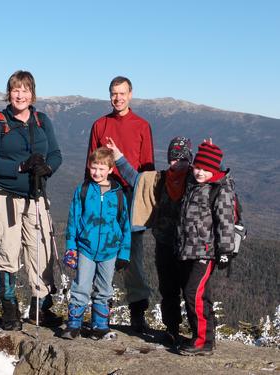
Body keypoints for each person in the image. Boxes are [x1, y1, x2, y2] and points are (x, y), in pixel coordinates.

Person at [0, 70, 63, 330]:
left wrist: (47, 168)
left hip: (36, 195)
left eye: (25, 89)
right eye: (15, 89)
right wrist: (21, 168)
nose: (20, 94)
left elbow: (56, 153)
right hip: (5, 196)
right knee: (8, 253)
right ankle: (9, 309)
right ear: (9, 93)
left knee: (41, 253)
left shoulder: (42, 120)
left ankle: (40, 307)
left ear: (32, 93)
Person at [107, 136, 193, 346]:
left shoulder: (194, 180)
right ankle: (172, 330)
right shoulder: (161, 179)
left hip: (190, 246)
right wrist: (118, 157)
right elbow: (137, 180)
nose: (177, 163)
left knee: (191, 291)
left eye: (182, 159)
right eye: (173, 158)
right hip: (164, 243)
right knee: (168, 290)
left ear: (190, 160)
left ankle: (200, 336)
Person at [86, 76, 154, 332]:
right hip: (104, 198)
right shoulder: (100, 125)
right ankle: (101, 311)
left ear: (131, 94)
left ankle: (138, 313)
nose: (118, 98)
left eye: (122, 93)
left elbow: (148, 170)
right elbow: (89, 165)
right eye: (114, 93)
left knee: (133, 258)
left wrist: (148, 204)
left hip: (132, 200)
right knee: (99, 252)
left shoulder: (141, 126)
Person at [61, 147, 131, 340]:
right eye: (94, 168)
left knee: (104, 288)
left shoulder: (118, 194)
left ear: (110, 169)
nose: (97, 172)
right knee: (81, 286)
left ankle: (100, 325)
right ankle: (74, 324)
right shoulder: (83, 190)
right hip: (86, 248)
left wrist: (124, 253)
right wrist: (71, 246)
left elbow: (125, 225)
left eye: (102, 169)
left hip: (110, 250)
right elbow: (73, 219)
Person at [176, 141, 236, 355]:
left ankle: (202, 341)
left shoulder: (219, 190)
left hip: (206, 251)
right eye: (198, 167)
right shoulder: (193, 183)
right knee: (198, 294)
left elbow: (226, 222)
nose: (200, 172)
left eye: (206, 169)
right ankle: (206, 338)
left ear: (214, 170)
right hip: (189, 249)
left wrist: (225, 252)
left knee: (194, 293)